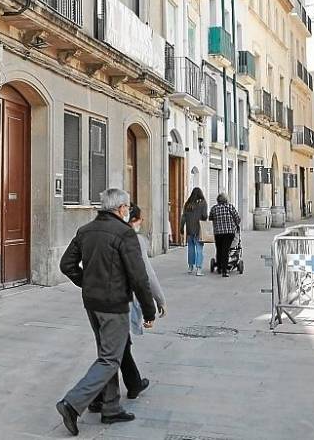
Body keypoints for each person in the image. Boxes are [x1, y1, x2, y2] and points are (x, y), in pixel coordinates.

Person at [56, 189, 157, 436]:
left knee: (108, 354)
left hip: (92, 303)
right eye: (127, 207)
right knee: (110, 359)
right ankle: (72, 403)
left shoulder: (86, 231)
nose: (128, 211)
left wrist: (87, 282)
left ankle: (110, 408)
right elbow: (138, 277)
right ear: (121, 208)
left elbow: (66, 264)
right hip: (114, 305)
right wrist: (148, 310)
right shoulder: (125, 233)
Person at [88, 205, 166, 414]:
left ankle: (130, 385)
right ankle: (93, 397)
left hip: (98, 300)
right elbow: (145, 276)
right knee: (113, 352)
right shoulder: (131, 238)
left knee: (118, 347)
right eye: (140, 219)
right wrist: (158, 301)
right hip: (120, 301)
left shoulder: (102, 233)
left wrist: (87, 284)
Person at [208, 193, 240, 278]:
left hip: (218, 233)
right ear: (226, 200)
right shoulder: (230, 207)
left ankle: (219, 268)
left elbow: (210, 218)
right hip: (229, 233)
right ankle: (225, 271)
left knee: (219, 250)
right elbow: (238, 218)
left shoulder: (214, 208)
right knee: (226, 250)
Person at [180, 187, 209, 276]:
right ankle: (199, 269)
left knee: (191, 249)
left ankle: (190, 267)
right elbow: (204, 216)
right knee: (199, 249)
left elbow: (183, 217)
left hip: (189, 230)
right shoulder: (203, 203)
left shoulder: (187, 204)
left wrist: (181, 228)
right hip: (199, 230)